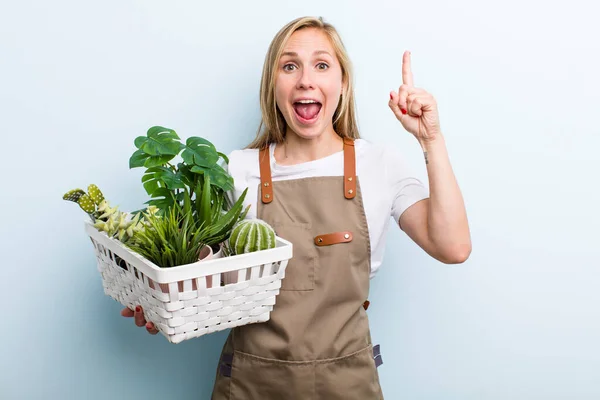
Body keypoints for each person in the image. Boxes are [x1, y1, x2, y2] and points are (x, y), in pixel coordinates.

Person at [123, 16, 471, 399]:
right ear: (273, 86)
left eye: (322, 65)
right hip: (250, 387)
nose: (306, 79)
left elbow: (453, 247)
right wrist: (163, 304)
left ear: (342, 84)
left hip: (347, 386)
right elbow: (208, 280)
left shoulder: (379, 165)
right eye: (290, 66)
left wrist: (431, 139)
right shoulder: (237, 170)